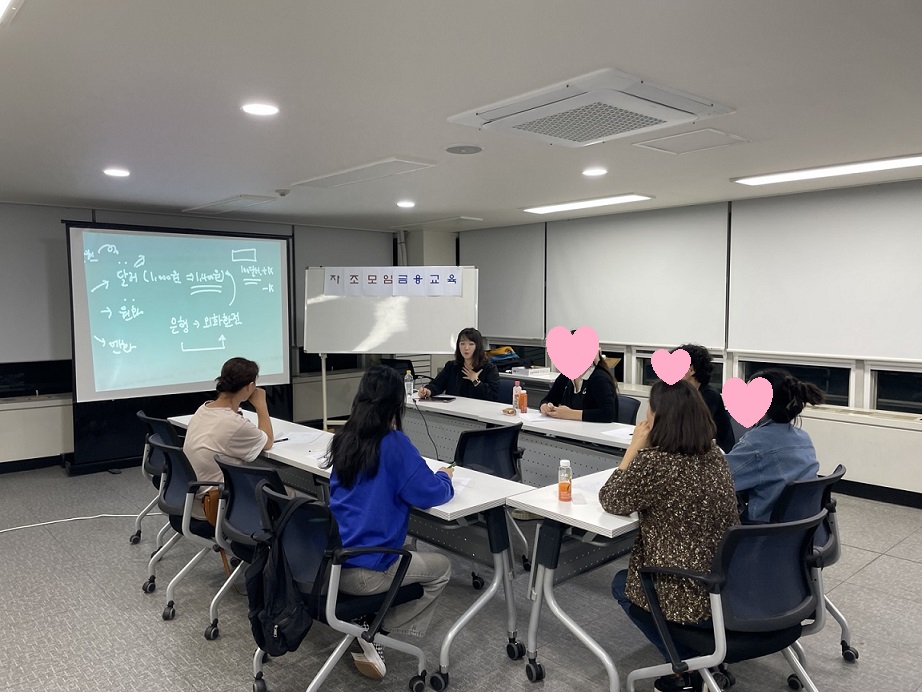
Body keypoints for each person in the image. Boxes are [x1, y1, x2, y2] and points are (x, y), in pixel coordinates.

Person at [599, 380, 738, 691]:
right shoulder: (715, 454)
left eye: (649, 409)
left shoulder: (655, 462)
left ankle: (688, 667)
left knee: (621, 584)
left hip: (686, 592)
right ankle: (703, 658)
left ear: (660, 417)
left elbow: (612, 498)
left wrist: (634, 448)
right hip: (727, 585)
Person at [326, 365, 455, 679]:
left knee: (407, 548)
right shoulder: (394, 444)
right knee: (442, 569)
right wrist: (445, 476)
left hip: (330, 564)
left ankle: (365, 623)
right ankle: (374, 629)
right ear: (397, 404)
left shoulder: (343, 438)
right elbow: (430, 493)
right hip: (367, 571)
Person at [726, 368, 824, 523]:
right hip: (800, 529)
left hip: (760, 531)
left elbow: (717, 479)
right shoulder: (804, 438)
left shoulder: (755, 444)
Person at [182, 357, 274, 520]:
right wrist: (261, 405)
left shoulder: (204, 408)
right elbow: (267, 442)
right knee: (286, 494)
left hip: (193, 496)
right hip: (219, 502)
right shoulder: (234, 423)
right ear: (250, 387)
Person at [674, 343, 735, 452]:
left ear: (691, 370)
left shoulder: (709, 395)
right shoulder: (681, 392)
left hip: (715, 452)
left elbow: (694, 429)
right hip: (691, 448)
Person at [417, 327, 499, 401]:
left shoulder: (489, 368)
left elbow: (493, 396)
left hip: (478, 411)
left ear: (478, 347)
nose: (466, 348)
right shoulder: (452, 366)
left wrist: (476, 381)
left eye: (471, 344)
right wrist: (427, 391)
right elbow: (437, 385)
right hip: (454, 410)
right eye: (462, 344)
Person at [539, 349, 618, 422]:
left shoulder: (599, 378)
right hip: (570, 428)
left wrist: (570, 414)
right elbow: (549, 399)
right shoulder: (566, 375)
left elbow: (608, 414)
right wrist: (544, 406)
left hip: (595, 430)